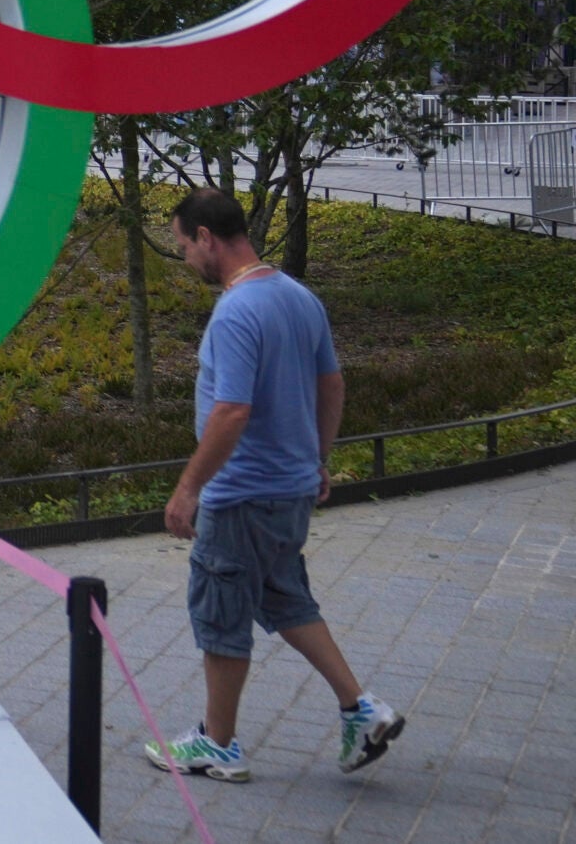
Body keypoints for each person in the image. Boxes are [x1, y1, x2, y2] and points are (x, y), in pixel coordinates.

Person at [145, 188, 404, 782]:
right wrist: (316, 460)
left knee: (220, 616)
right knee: (284, 599)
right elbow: (331, 385)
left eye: (184, 246)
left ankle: (219, 745)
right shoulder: (297, 296)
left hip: (241, 497)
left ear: (207, 238)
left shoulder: (237, 311)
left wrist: (188, 491)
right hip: (289, 490)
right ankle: (362, 711)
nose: (186, 259)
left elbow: (231, 411)